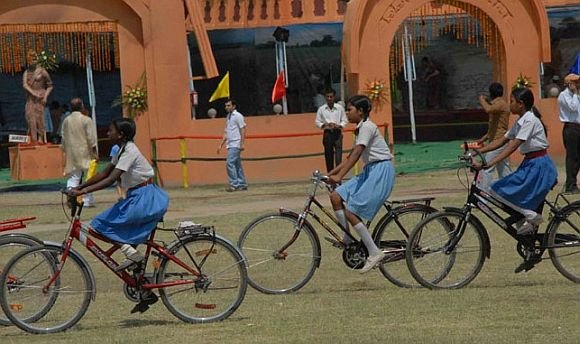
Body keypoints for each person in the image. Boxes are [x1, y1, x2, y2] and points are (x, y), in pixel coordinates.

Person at [475, 87, 558, 236]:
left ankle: (531, 215)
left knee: (495, 190)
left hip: (538, 166)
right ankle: (528, 237)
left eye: (511, 101)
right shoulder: (521, 120)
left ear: (520, 104)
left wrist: (489, 163)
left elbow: (513, 145)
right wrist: (478, 150)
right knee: (513, 200)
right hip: (530, 164)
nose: (509, 104)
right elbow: (502, 141)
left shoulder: (530, 120)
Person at [327, 95, 396, 273]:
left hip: (380, 171)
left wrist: (340, 175)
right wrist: (331, 174)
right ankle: (348, 239)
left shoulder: (367, 127)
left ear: (361, 111)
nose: (347, 113)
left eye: (349, 110)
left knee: (352, 211)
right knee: (335, 196)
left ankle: (374, 252)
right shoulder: (360, 128)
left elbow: (357, 154)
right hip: (370, 171)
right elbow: (351, 156)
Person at [61, 98, 98, 207]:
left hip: (72, 152)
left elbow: (63, 137)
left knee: (74, 177)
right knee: (89, 177)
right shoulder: (86, 120)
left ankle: (71, 196)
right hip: (85, 152)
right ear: (81, 106)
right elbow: (91, 138)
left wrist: (65, 150)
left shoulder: (66, 120)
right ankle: (86, 200)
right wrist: (95, 152)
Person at [475, 82, 512, 189]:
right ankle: (510, 193)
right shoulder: (498, 104)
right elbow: (494, 127)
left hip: (498, 141)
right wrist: (483, 139)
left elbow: (488, 109)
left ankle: (482, 197)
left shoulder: (500, 104)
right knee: (504, 170)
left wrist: (481, 99)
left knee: (486, 168)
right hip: (497, 140)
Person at [217, 99, 248, 192]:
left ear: (234, 106)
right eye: (226, 106)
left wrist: (242, 143)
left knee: (230, 163)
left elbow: (243, 129)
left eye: (228, 105)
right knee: (237, 164)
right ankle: (242, 184)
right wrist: (221, 144)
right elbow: (227, 132)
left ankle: (234, 184)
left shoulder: (238, 116)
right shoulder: (228, 116)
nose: (226, 107)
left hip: (236, 143)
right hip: (230, 144)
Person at [315, 88, 348, 172]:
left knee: (338, 156)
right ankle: (330, 176)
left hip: (337, 133)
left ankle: (338, 176)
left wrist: (339, 125)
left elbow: (345, 120)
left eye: (331, 96)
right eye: (327, 97)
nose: (329, 98)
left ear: (334, 97)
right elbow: (317, 121)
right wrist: (324, 125)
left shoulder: (340, 108)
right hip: (327, 134)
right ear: (325, 97)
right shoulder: (321, 109)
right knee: (328, 155)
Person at [557, 73, 580, 193]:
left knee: (578, 157)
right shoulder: (564, 95)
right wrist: (575, 93)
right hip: (571, 128)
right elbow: (573, 107)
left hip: (578, 127)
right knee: (572, 157)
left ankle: (573, 182)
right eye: (576, 82)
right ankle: (570, 184)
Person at [23, 60, 53, 144]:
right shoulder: (27, 72)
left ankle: (40, 137)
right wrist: (33, 93)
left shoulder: (42, 71)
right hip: (31, 98)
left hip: (40, 97)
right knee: (30, 117)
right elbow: (25, 85)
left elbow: (50, 85)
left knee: (40, 118)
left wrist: (46, 96)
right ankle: (33, 138)